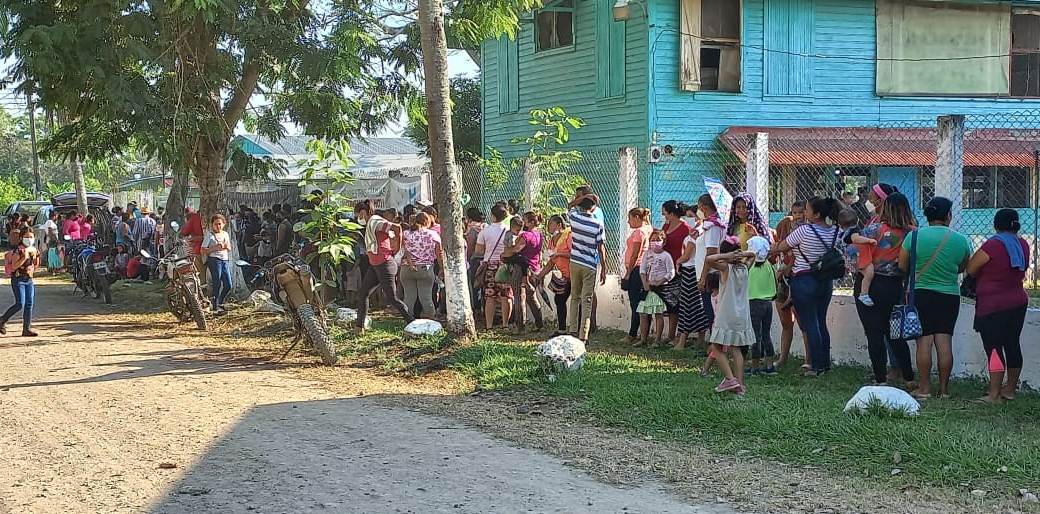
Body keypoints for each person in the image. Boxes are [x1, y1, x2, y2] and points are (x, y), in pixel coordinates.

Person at [898, 197, 971, 399]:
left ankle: (924, 389)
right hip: (949, 295)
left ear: (927, 215)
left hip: (921, 294)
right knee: (944, 342)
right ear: (948, 215)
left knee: (924, 343)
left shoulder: (913, 237)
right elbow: (963, 267)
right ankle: (945, 390)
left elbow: (903, 266)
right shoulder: (960, 239)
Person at [771, 196, 844, 377]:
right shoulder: (835, 231)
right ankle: (824, 363)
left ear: (816, 214)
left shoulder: (804, 230)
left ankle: (816, 366)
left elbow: (782, 246)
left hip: (804, 279)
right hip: (825, 280)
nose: (805, 213)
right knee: (821, 321)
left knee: (810, 323)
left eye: (808, 209)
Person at [966, 209, 1030, 404]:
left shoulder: (993, 245)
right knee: (1012, 344)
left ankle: (993, 394)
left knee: (993, 348)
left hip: (993, 304)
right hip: (1018, 301)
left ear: (996, 225)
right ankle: (1009, 389)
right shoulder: (1023, 244)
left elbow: (971, 268)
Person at [854, 193, 917, 386]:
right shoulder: (913, 233)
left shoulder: (874, 229)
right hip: (895, 284)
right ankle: (908, 376)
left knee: (874, 333)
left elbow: (853, 249)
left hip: (870, 283)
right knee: (894, 332)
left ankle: (880, 378)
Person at [704, 237, 757, 394]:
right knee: (736, 348)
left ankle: (730, 379)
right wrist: (740, 254)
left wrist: (728, 257)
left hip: (727, 313)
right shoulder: (745, 268)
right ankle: (740, 385)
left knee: (716, 346)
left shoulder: (726, 268)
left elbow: (709, 259)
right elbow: (753, 254)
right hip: (742, 315)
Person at [354, 201, 414, 330]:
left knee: (392, 299)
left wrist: (397, 248)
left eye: (358, 215)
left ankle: (412, 323)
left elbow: (397, 228)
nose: (358, 218)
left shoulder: (375, 221)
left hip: (384, 264)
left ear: (363, 212)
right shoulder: (372, 223)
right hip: (375, 265)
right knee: (363, 293)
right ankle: (359, 327)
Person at [772, 201, 808, 369]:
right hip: (783, 279)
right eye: (795, 213)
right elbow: (779, 248)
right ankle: (783, 358)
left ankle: (809, 360)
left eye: (801, 212)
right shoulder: (787, 225)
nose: (798, 216)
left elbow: (797, 254)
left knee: (803, 323)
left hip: (797, 278)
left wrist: (789, 267)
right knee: (786, 322)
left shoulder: (807, 231)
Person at [567, 194, 607, 342]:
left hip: (575, 262)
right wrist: (603, 267)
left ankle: (572, 330)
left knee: (575, 297)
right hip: (589, 264)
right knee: (587, 299)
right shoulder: (598, 224)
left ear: (581, 206)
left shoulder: (575, 218)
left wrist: (582, 197)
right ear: (594, 208)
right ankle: (583, 335)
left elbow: (569, 206)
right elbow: (601, 247)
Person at [675, 204, 710, 350]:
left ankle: (683, 339)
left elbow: (687, 254)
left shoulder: (697, 233)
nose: (688, 219)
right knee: (695, 305)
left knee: (688, 305)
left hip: (690, 271)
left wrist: (678, 261)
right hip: (694, 270)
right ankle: (699, 339)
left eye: (691, 216)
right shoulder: (699, 231)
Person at [502, 212, 545, 333]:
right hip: (534, 267)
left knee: (519, 296)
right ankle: (539, 323)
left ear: (531, 222)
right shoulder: (539, 235)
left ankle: (520, 326)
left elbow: (516, 249)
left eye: (525, 221)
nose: (523, 224)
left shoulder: (526, 236)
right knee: (531, 296)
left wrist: (504, 254)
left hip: (520, 268)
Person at [475, 203, 513, 330]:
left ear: (493, 216)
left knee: (490, 296)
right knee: (505, 296)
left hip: (490, 265)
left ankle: (489, 325)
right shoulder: (508, 231)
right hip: (504, 265)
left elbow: (479, 251)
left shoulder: (485, 232)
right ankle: (505, 324)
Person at [636, 229, 675, 347]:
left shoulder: (666, 256)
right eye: (652, 240)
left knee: (658, 313)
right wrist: (645, 283)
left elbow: (671, 272)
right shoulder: (647, 255)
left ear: (663, 242)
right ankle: (643, 339)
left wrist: (661, 281)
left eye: (658, 240)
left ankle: (657, 339)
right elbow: (642, 270)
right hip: (648, 288)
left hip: (660, 289)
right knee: (643, 313)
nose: (655, 242)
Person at [401, 212, 442, 319]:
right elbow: (439, 253)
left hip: (406, 268)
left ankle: (407, 320)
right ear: (427, 222)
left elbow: (404, 251)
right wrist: (442, 268)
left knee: (409, 298)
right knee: (426, 297)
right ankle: (431, 321)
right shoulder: (433, 234)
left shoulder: (406, 233)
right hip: (425, 268)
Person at [693, 194, 725, 335]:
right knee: (709, 310)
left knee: (712, 311)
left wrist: (703, 277)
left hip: (711, 274)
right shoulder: (707, 225)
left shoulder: (713, 227)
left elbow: (711, 253)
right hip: (706, 272)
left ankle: (715, 346)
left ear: (704, 207)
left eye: (699, 207)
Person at [747, 236, 778, 375]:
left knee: (755, 336)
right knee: (766, 334)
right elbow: (776, 283)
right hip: (768, 303)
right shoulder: (769, 266)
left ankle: (755, 366)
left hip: (753, 302)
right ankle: (769, 365)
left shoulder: (750, 267)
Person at [660, 200, 691, 341]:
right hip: (664, 268)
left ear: (672, 213)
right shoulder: (665, 226)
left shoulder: (685, 228)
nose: (663, 215)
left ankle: (675, 334)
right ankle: (667, 334)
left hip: (679, 269)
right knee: (666, 302)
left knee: (676, 303)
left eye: (665, 213)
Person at [1, 227, 40, 337]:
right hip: (18, 279)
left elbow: (36, 264)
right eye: (27, 237)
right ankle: (2, 320)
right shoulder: (18, 251)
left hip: (28, 279)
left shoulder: (33, 250)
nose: (29, 239)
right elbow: (14, 266)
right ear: (21, 238)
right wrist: (24, 257)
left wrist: (34, 263)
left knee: (29, 304)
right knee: (19, 304)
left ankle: (26, 328)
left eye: (31, 237)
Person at [837, 209, 879, 306]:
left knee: (863, 273)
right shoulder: (854, 230)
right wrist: (869, 240)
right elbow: (855, 239)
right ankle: (864, 293)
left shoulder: (843, 232)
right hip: (857, 257)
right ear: (857, 220)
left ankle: (863, 293)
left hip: (850, 259)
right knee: (869, 272)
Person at [537, 215, 572, 334]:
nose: (548, 227)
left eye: (551, 224)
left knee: (578, 302)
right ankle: (562, 329)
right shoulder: (552, 241)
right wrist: (540, 275)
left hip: (575, 274)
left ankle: (579, 330)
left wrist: (560, 254)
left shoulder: (568, 236)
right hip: (565, 276)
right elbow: (551, 262)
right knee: (559, 299)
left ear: (559, 225)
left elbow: (574, 254)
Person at [622, 208, 652, 343]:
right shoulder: (649, 229)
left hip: (636, 269)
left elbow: (635, 254)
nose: (628, 222)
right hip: (645, 269)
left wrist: (628, 273)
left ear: (637, 217)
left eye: (630, 218)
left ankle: (632, 333)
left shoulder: (639, 232)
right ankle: (643, 334)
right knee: (644, 302)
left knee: (635, 303)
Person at [201, 214, 233, 314]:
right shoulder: (209, 235)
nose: (218, 226)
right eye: (216, 224)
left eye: (220, 224)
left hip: (224, 260)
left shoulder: (225, 234)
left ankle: (220, 301)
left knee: (228, 284)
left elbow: (229, 247)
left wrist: (223, 246)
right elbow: (202, 250)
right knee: (217, 282)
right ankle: (215, 306)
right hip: (214, 260)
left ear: (223, 224)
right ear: (212, 225)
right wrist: (214, 248)